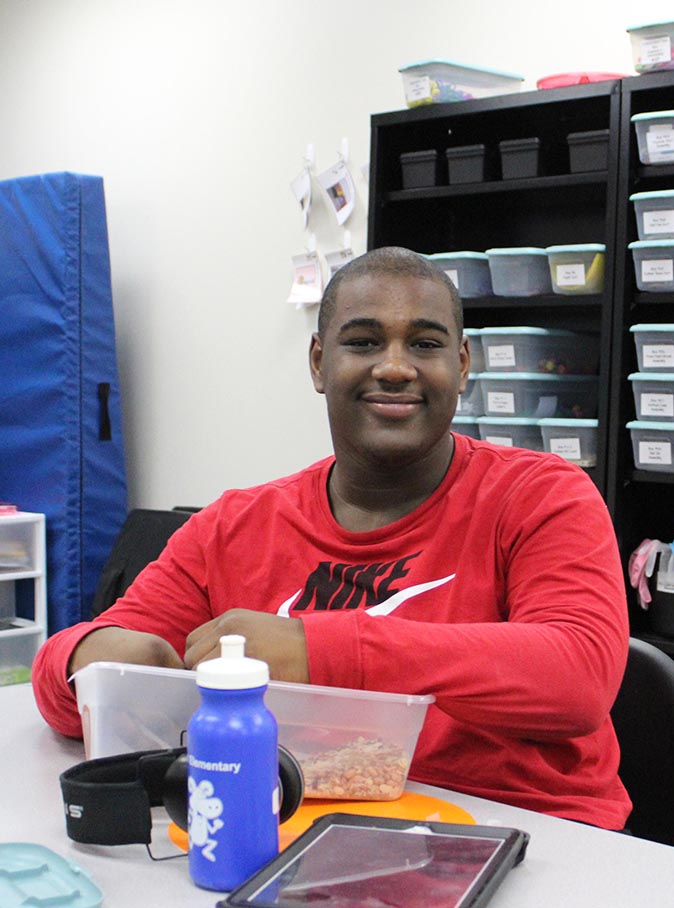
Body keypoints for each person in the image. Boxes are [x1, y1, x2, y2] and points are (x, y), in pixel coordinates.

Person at [31, 246, 632, 829]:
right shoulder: (233, 526)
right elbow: (68, 673)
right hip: (299, 830)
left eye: (425, 344)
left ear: (463, 366)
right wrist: (93, 664)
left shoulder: (543, 495)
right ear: (319, 362)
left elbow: (578, 675)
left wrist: (316, 650)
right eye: (363, 341)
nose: (395, 367)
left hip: (529, 835)